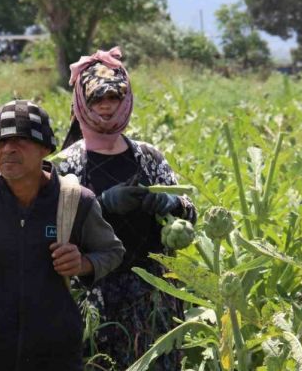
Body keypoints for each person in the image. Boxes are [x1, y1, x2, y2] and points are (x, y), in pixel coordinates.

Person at [0, 100, 126, 371]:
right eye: (0, 142)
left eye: (21, 140)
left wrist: (83, 264)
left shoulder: (75, 202)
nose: (8, 149)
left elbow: (112, 251)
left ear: (45, 149)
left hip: (54, 353)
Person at [53, 47, 197, 369]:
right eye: (96, 99)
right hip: (92, 297)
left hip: (154, 294)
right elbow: (52, 228)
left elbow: (191, 215)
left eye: (114, 98)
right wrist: (100, 206)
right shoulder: (67, 164)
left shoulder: (149, 157)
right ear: (81, 103)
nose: (106, 106)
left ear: (126, 100)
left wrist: (173, 204)